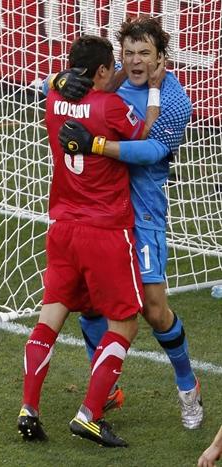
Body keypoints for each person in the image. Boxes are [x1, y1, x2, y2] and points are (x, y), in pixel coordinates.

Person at [53, 17, 203, 430]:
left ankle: (188, 387)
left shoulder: (175, 100)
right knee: (90, 306)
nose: (136, 61)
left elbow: (152, 150)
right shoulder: (109, 84)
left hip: (144, 213)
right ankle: (106, 387)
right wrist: (62, 79)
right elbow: (66, 93)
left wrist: (97, 144)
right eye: (129, 53)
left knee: (155, 311)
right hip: (101, 213)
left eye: (145, 54)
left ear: (160, 58)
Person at [17, 34, 163, 447]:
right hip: (105, 231)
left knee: (50, 317)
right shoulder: (112, 106)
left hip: (62, 227)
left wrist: (62, 79)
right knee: (125, 322)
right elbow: (143, 132)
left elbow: (57, 86)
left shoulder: (53, 98)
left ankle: (29, 407)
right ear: (102, 71)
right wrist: (153, 87)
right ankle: (89, 415)